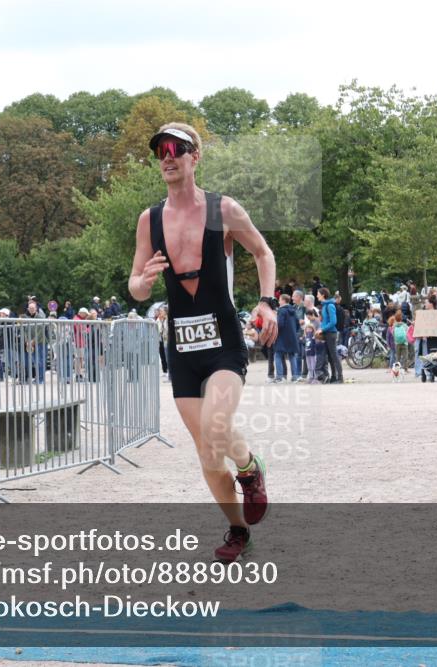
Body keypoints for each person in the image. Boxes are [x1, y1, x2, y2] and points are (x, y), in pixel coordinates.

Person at [128, 122, 275, 563]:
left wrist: (267, 302)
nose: (167, 156)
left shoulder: (223, 210)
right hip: (183, 347)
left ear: (196, 156)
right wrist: (145, 282)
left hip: (224, 340)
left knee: (216, 424)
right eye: (160, 151)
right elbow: (135, 285)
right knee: (208, 451)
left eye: (177, 148)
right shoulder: (149, 220)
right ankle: (238, 531)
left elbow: (263, 253)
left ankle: (249, 469)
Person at [317, 287, 343, 384]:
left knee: (334, 356)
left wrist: (322, 329)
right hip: (326, 333)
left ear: (323, 295)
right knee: (330, 357)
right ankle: (333, 377)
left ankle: (340, 378)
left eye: (318, 294)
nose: (317, 295)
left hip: (331, 333)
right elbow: (326, 321)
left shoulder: (330, 306)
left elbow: (333, 321)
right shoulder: (324, 306)